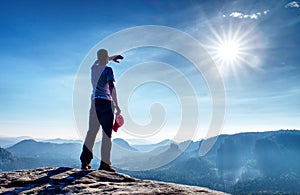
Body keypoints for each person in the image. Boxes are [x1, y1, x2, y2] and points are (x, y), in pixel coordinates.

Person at [80, 49, 123, 172]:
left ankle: (85, 162)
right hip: (106, 103)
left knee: (91, 132)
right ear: (106, 58)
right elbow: (111, 87)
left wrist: (110, 58)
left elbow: (100, 61)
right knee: (106, 134)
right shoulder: (108, 70)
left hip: (94, 103)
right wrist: (117, 106)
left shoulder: (93, 68)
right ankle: (104, 164)